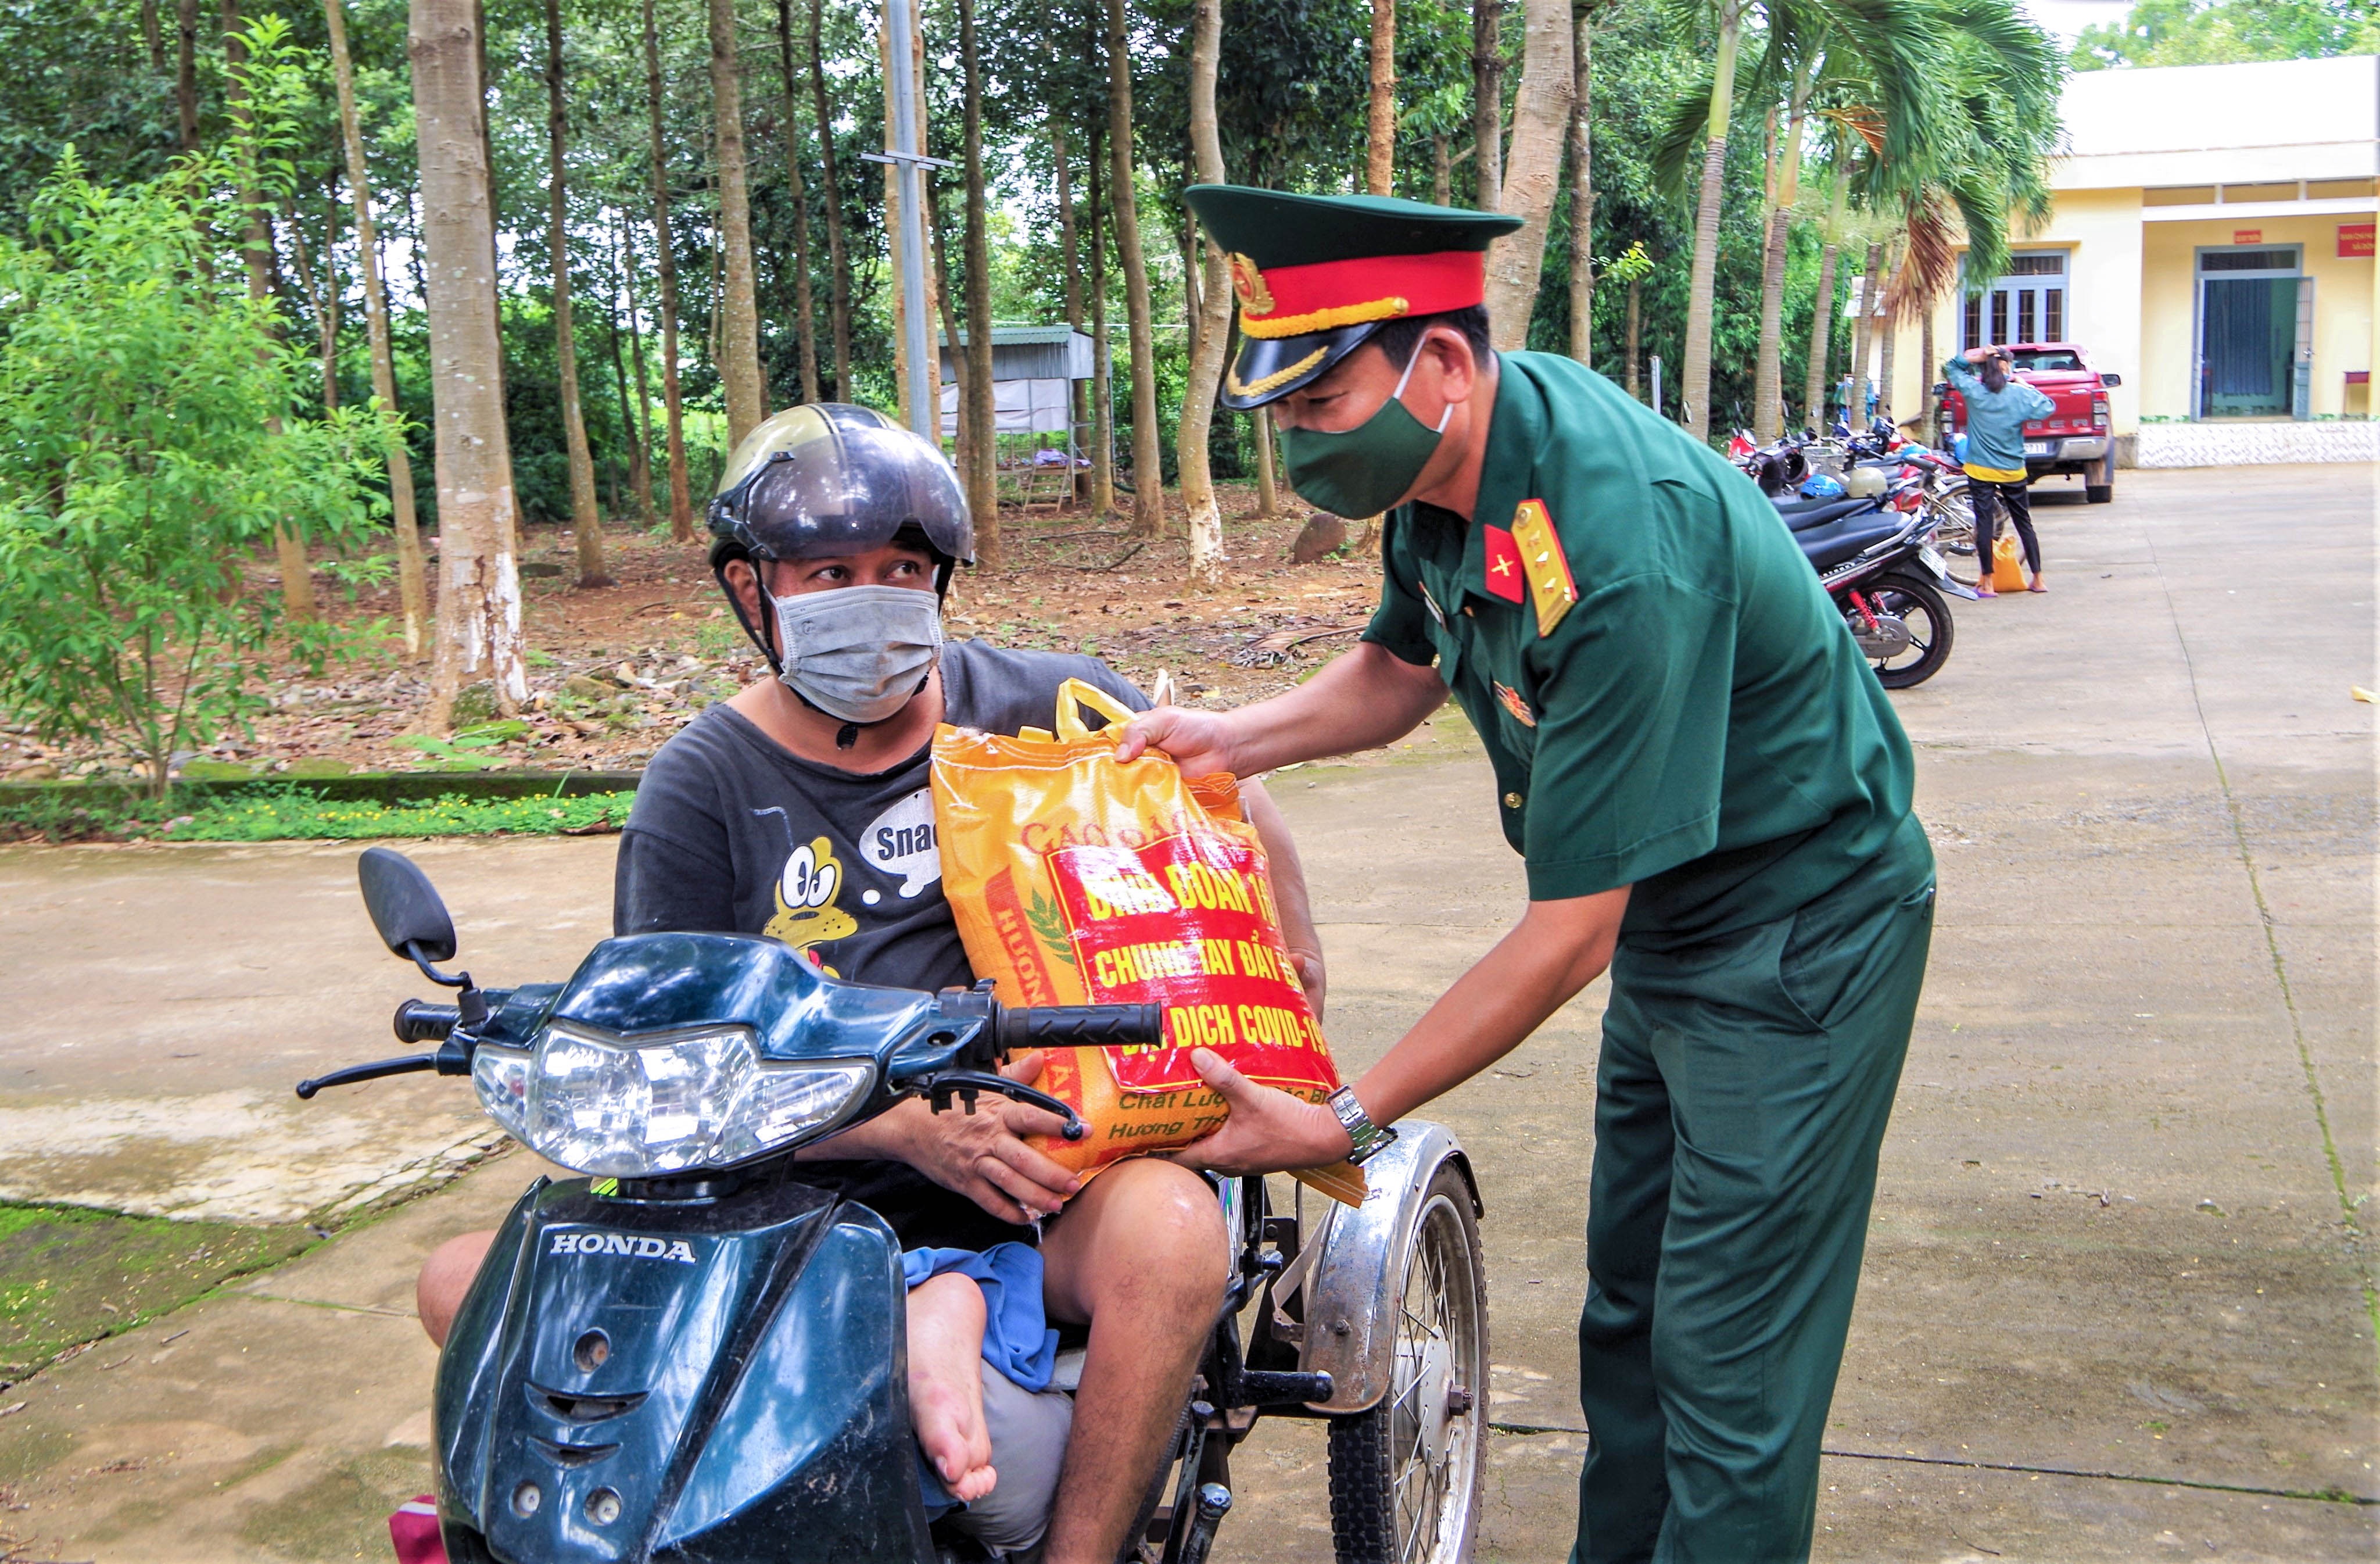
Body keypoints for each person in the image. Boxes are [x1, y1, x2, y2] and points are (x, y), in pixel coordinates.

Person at [1117, 186, 1936, 1564]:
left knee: (1730, 1369)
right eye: (1283, 414)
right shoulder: (1445, 472)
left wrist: (1348, 1114)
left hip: (1800, 937)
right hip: (1677, 920)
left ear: (1438, 364)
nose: (1301, 444)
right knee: (1630, 1326)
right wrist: (1227, 737)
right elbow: (1401, 663)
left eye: (1321, 406)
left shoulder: (1620, 547)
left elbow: (1564, 935)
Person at [414, 402, 1329, 1563]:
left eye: (902, 568)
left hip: (1044, 1193)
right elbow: (667, 1063)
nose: (873, 596)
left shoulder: (1046, 706)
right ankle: (907, 1325)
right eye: (829, 570)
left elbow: (1229, 792)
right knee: (468, 1279)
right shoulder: (699, 784)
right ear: (754, 592)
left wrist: (1292, 951)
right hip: (784, 1217)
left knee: (1174, 1231)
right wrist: (901, 1126)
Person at [1944, 346, 2054, 596]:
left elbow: (1952, 367)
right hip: (2013, 470)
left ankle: (1989, 583)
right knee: (2023, 522)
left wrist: (1979, 356)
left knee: (1984, 525)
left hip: (1980, 470)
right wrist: (2025, 384)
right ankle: (2038, 579)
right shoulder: (2019, 394)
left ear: (1985, 367)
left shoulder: (1974, 391)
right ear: (2006, 367)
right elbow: (2048, 407)